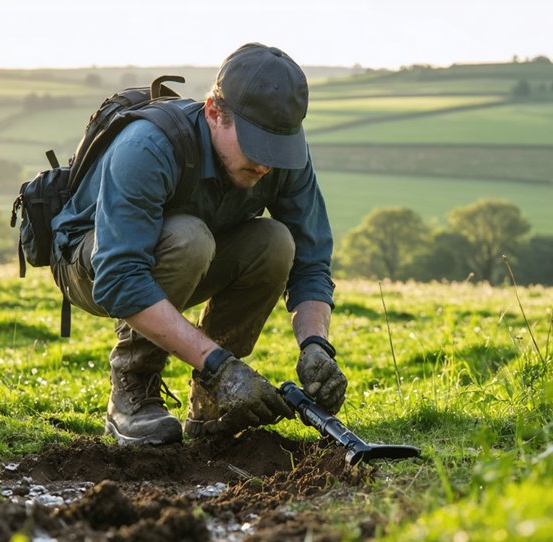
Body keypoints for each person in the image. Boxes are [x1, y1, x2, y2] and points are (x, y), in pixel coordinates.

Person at [49, 43, 347, 446]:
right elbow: (119, 278)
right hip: (90, 262)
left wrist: (315, 346)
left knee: (276, 241)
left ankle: (211, 405)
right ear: (213, 112)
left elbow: (311, 262)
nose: (266, 165)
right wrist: (219, 365)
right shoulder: (148, 146)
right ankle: (132, 391)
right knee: (189, 238)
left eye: (277, 149)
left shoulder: (281, 160)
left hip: (188, 251)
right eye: (255, 145)